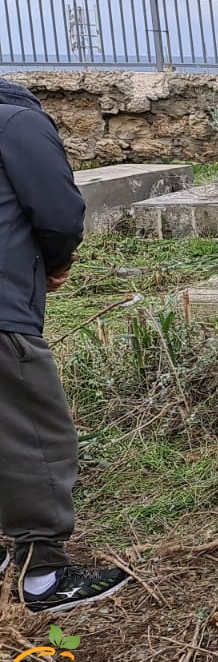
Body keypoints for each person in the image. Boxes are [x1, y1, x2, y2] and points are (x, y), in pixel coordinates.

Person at [0, 78, 132, 612]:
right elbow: (58, 212)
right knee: (37, 435)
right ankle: (45, 578)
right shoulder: (17, 120)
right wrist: (57, 263)